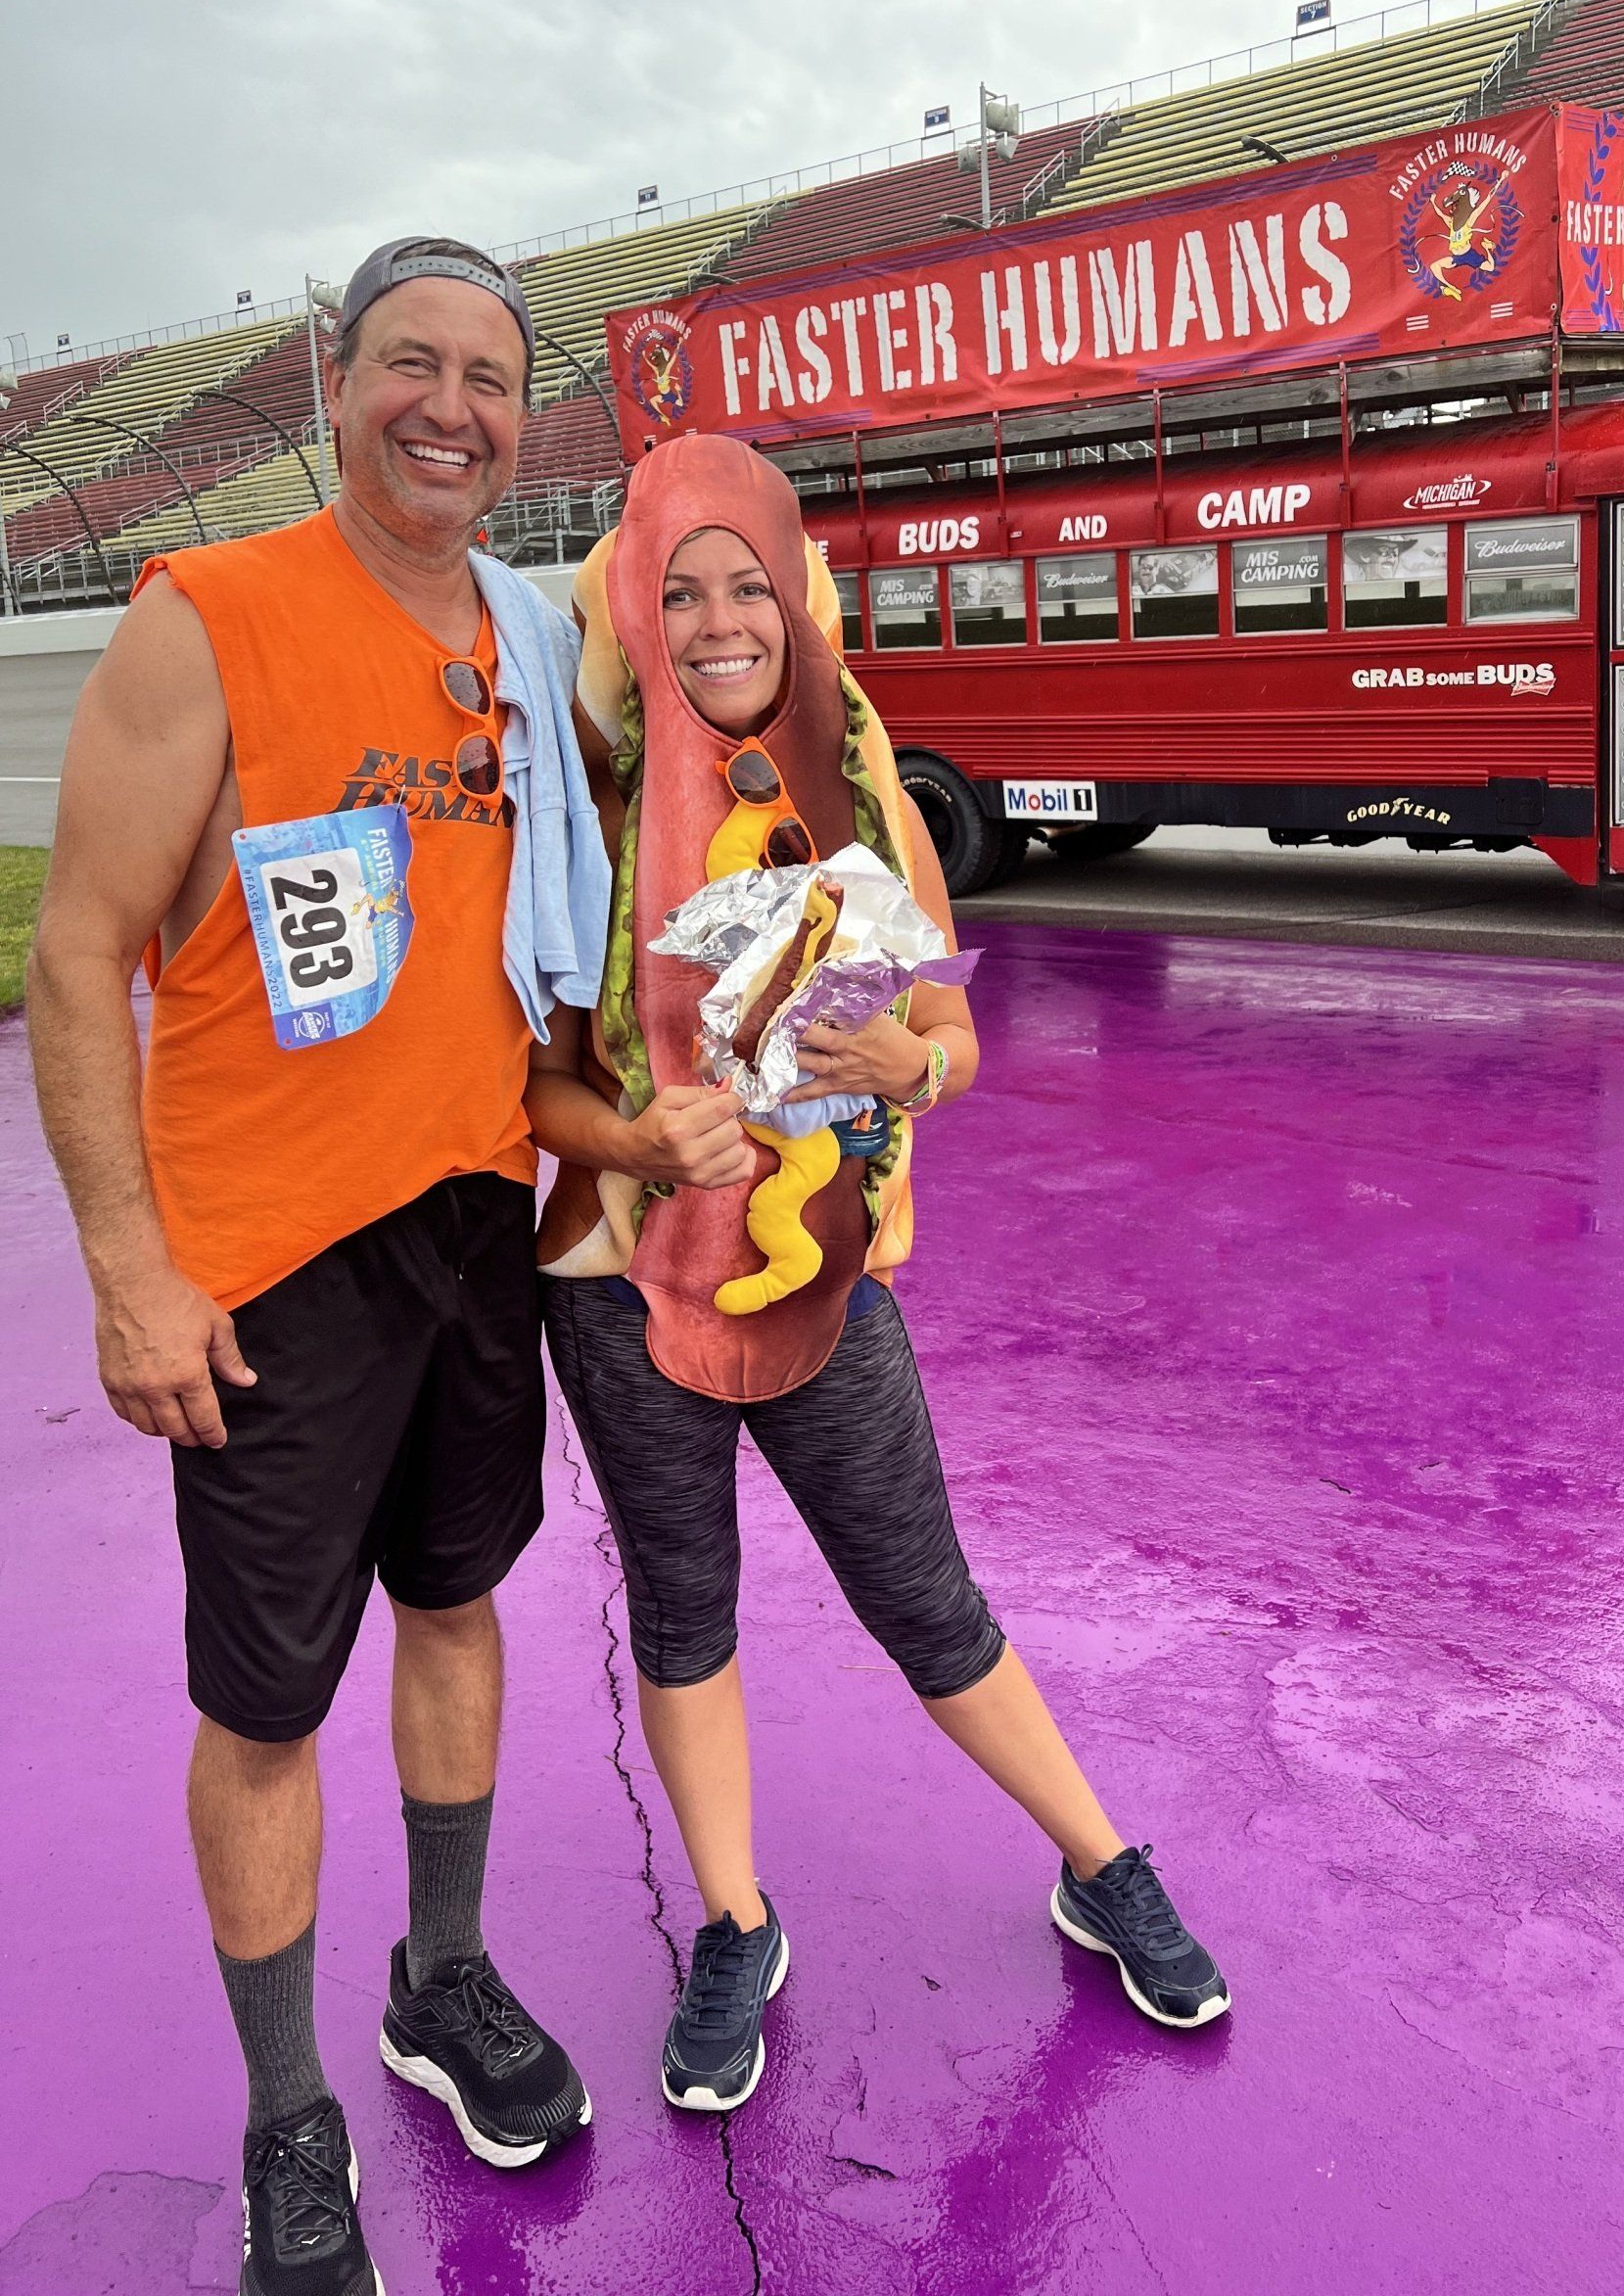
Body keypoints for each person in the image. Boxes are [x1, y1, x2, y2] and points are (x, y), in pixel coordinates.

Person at [529, 433, 1229, 2117]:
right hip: (619, 1285)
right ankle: (734, 1923)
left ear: (798, 605)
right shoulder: (586, 818)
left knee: (925, 1600)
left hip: (824, 1275)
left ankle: (1098, 1861)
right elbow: (538, 1090)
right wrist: (642, 1148)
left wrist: (906, 1071)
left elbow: (956, 1042)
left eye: (743, 588)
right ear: (629, 616)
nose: (712, 622)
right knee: (685, 1612)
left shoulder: (866, 799)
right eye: (675, 592)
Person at [28, 239, 591, 2296]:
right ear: (333, 379)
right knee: (267, 1703)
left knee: (456, 1612)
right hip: (271, 1268)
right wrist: (125, 1265)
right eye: (412, 365)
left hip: (471, 1219)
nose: (452, 406)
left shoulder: (526, 643)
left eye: (492, 377)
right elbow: (78, 945)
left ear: (529, 418)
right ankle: (290, 2117)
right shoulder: (214, 620)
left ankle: (439, 1980)